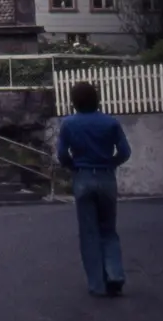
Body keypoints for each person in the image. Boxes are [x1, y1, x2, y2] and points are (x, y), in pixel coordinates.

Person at [56, 81, 132, 297]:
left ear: (74, 101)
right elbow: (125, 151)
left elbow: (62, 154)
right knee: (108, 229)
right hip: (106, 177)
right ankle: (115, 274)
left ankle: (97, 284)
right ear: (96, 99)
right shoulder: (110, 123)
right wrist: (110, 163)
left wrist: (74, 167)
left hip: (83, 177)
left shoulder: (69, 124)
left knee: (89, 232)